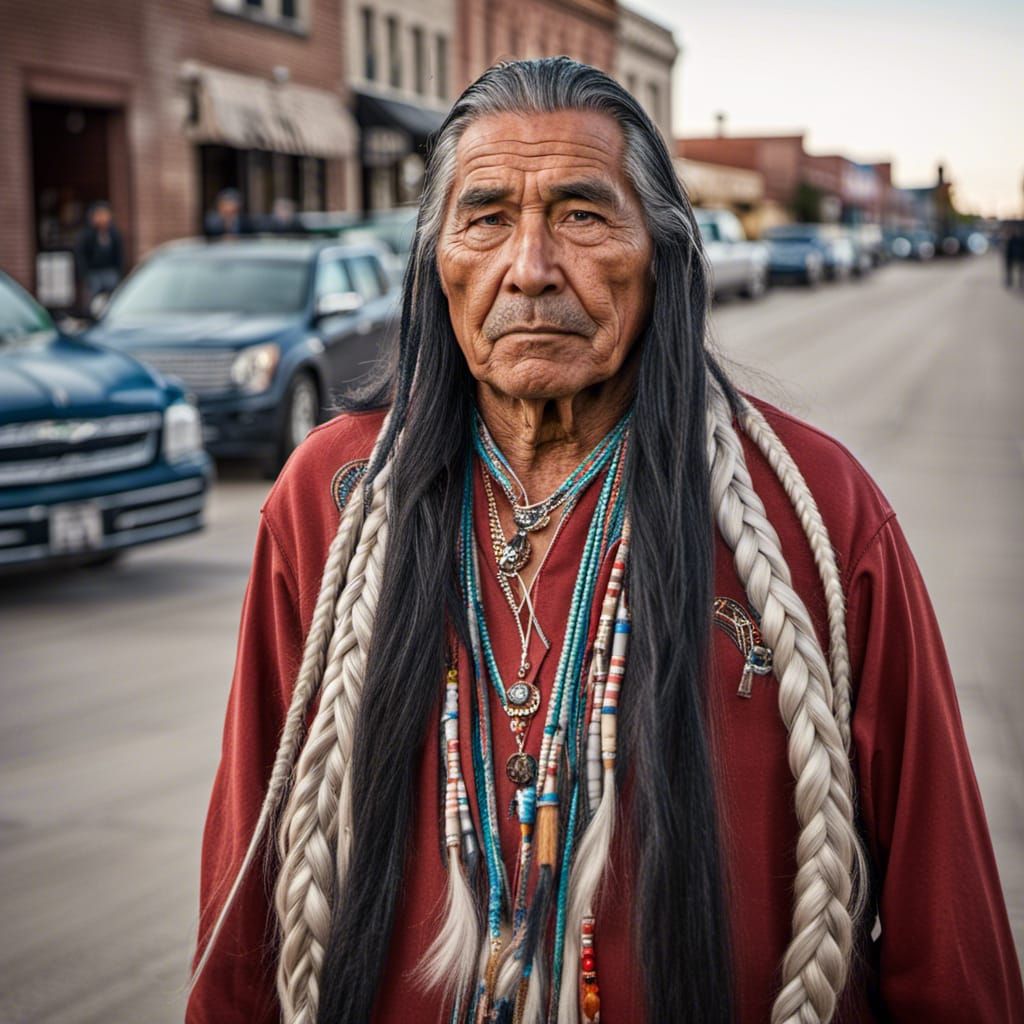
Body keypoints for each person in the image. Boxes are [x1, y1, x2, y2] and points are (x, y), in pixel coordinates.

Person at [187, 58, 1024, 1024]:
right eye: (488, 216)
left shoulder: (820, 513)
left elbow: (942, 913)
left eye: (583, 215)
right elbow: (246, 877)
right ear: (437, 262)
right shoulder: (328, 500)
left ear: (660, 253)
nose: (531, 267)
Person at [74, 200, 124, 312]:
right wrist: (85, 274)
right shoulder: (87, 235)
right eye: (99, 215)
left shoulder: (113, 233)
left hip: (110, 272)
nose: (102, 218)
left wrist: (118, 271)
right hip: (93, 273)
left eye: (105, 214)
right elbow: (81, 255)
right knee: (92, 301)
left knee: (113, 299)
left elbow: (119, 254)